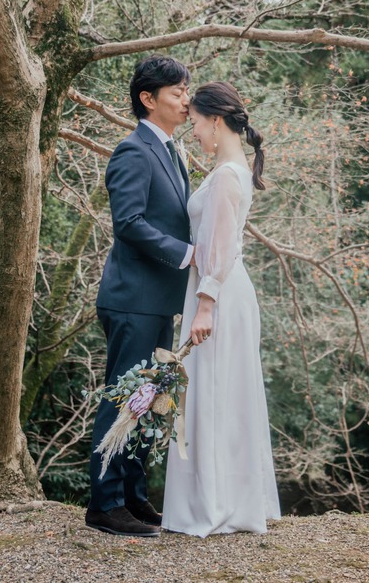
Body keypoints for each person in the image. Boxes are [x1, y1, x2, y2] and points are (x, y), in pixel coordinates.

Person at [162, 81, 281, 537]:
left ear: (214, 120)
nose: (192, 131)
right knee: (215, 392)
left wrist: (205, 306)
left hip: (220, 295)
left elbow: (221, 247)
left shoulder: (228, 175)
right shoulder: (229, 169)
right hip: (218, 291)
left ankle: (214, 506)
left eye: (194, 123)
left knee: (212, 392)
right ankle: (219, 500)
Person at [86, 55, 194, 538]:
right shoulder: (133, 150)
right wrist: (186, 254)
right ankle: (104, 505)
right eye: (177, 92)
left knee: (150, 400)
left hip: (157, 301)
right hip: (132, 299)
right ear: (148, 99)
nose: (186, 100)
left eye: (186, 91)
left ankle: (133, 497)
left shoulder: (171, 151)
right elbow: (128, 223)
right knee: (124, 399)